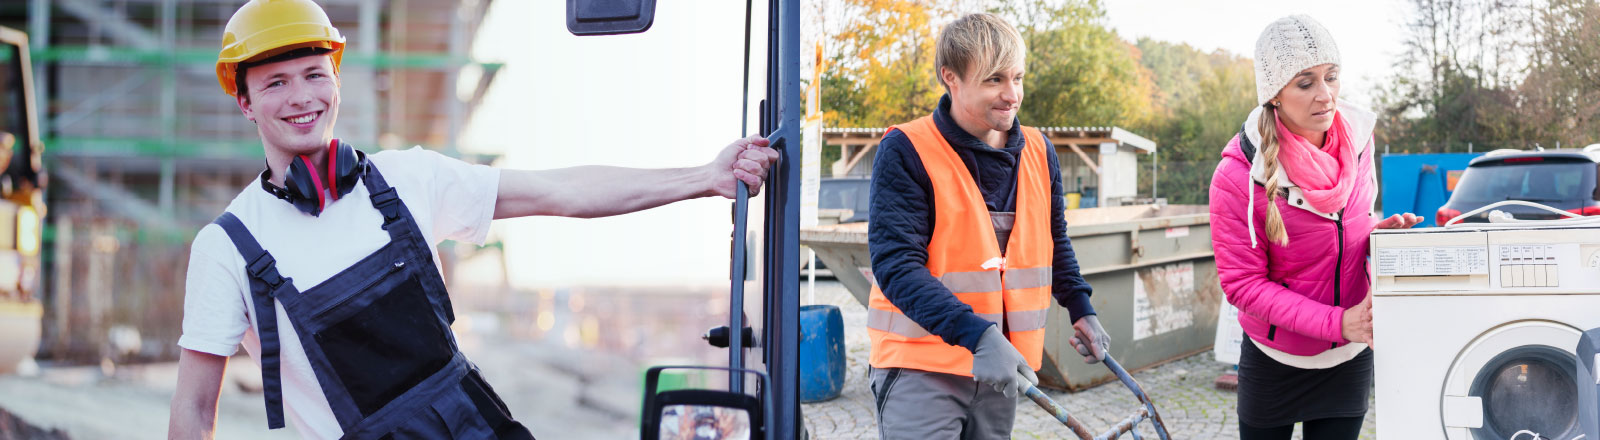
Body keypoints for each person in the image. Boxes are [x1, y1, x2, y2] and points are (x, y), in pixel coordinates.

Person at [165, 0, 780, 438]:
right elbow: (195, 413)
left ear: (336, 80)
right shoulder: (229, 248)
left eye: (313, 75)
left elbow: (563, 191)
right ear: (244, 101)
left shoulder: (406, 179)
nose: (301, 97)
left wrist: (703, 178)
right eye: (275, 83)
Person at [865, 12, 1109, 439]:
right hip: (922, 368)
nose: (1011, 94)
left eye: (1018, 78)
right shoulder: (907, 149)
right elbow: (896, 267)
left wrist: (1080, 306)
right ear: (951, 78)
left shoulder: (1038, 150)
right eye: (995, 80)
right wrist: (977, 335)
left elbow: (1054, 241)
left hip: (1000, 369)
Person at [1208, 15, 1422, 440]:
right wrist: (1339, 322)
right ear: (1274, 96)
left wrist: (1378, 238)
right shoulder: (1236, 176)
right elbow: (1243, 286)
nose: (1325, 96)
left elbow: (1345, 232)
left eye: (1331, 77)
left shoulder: (1359, 144)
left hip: (1348, 357)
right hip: (1275, 361)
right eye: (1305, 83)